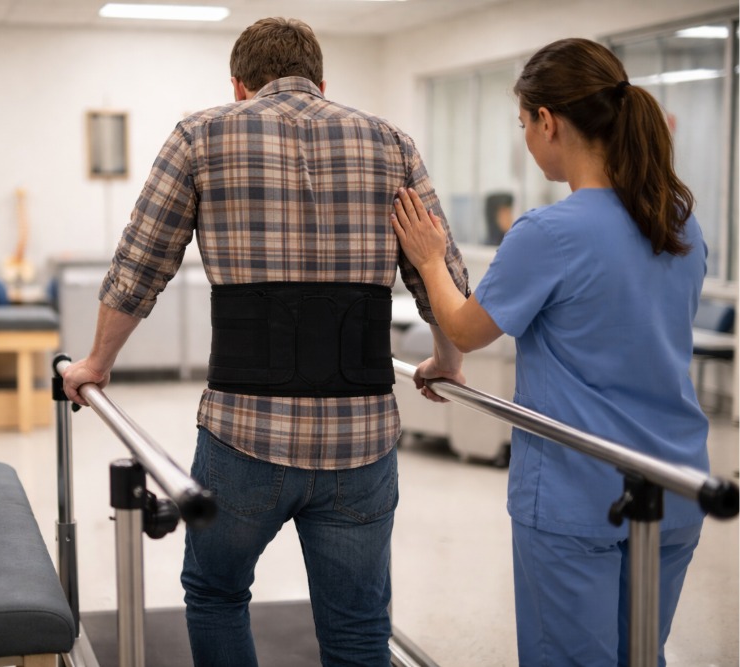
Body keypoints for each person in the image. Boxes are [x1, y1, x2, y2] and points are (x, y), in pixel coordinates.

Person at [61, 17, 470, 666]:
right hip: (359, 439)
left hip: (244, 434)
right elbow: (438, 269)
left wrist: (96, 362)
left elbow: (139, 264)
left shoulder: (200, 133)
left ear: (237, 85)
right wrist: (446, 361)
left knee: (217, 593)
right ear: (321, 82)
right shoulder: (391, 143)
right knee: (359, 626)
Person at [391, 38, 709, 666]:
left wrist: (429, 259)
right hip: (675, 484)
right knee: (640, 655)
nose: (525, 141)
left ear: (548, 121)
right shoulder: (678, 218)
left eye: (522, 125)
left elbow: (465, 328)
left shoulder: (549, 232)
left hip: (577, 496)